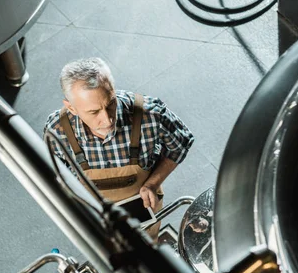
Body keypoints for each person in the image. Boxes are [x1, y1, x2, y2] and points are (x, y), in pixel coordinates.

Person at [43, 57, 194, 239]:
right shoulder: (57, 132)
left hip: (144, 212)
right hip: (94, 217)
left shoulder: (150, 115)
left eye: (110, 104)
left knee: (147, 247)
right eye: (94, 112)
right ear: (72, 108)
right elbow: (55, 175)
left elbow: (181, 143)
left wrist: (153, 183)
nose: (107, 120)